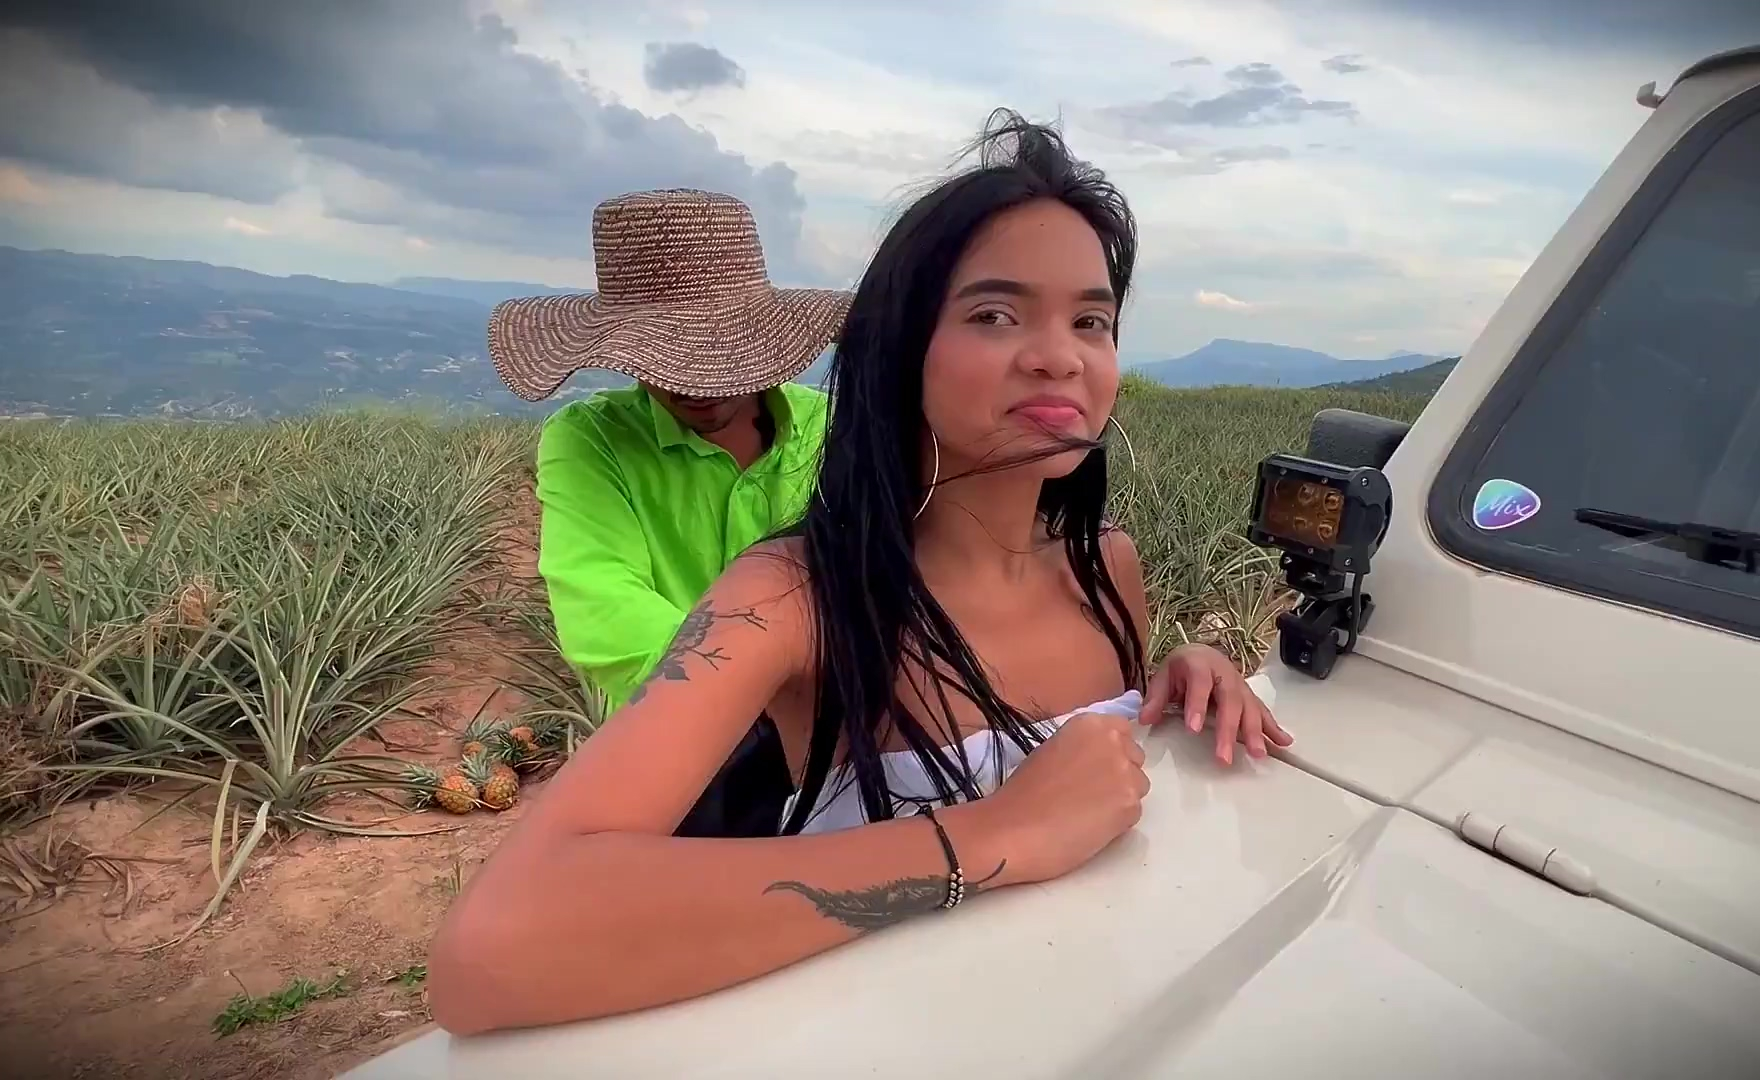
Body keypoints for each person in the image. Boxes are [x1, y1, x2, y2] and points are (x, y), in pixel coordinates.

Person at [432, 110, 1292, 1034]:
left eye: (1093, 319)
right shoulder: (785, 599)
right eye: (995, 313)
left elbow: (1082, 771)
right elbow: (490, 955)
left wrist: (1167, 690)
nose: (1060, 354)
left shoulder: (1106, 566)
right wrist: (992, 833)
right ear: (897, 351)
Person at [488, 188, 853, 837]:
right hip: (679, 747)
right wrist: (776, 690)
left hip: (849, 732)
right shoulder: (589, 440)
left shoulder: (835, 430)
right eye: (666, 360)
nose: (695, 387)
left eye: (718, 360)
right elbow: (602, 606)